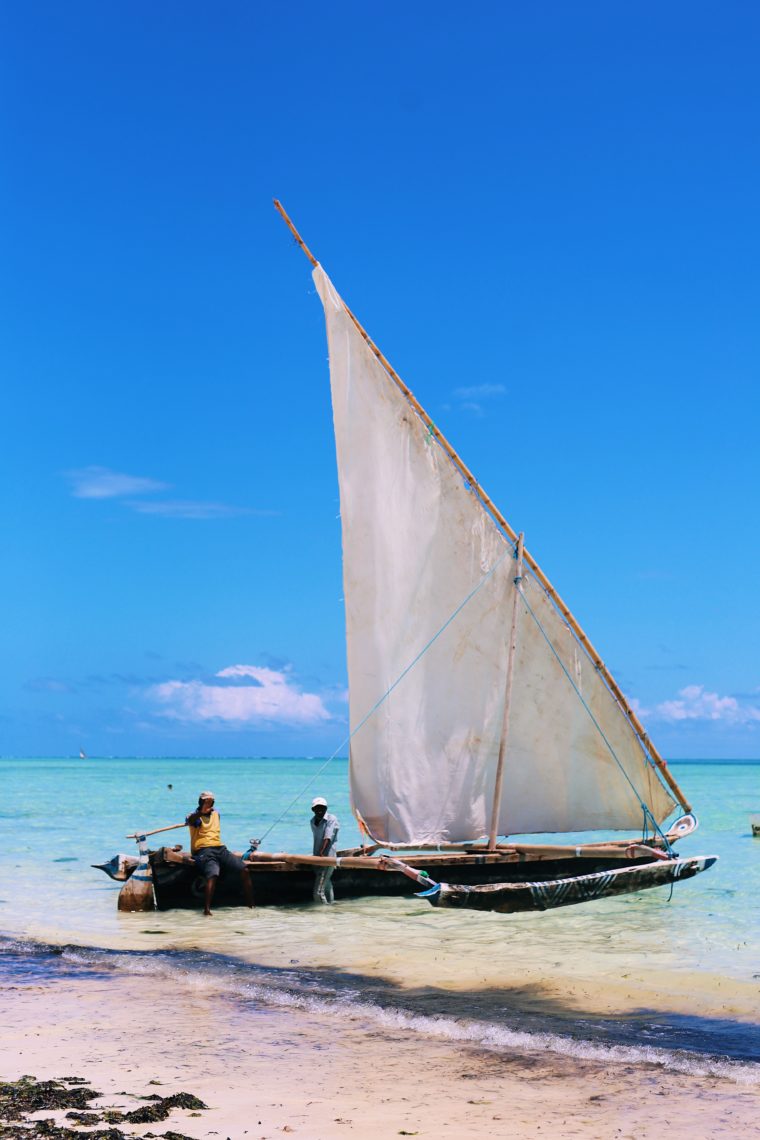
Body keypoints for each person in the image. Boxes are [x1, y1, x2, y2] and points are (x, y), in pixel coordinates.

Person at [185, 791, 254, 916]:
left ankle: (251, 905)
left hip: (220, 848)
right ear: (200, 802)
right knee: (213, 874)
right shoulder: (194, 815)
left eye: (210, 802)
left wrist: (208, 811)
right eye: (206, 801)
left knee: (244, 869)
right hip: (203, 849)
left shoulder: (216, 814)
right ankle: (207, 910)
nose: (208, 804)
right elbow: (190, 821)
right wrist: (201, 813)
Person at [310, 796, 339, 904]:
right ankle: (330, 907)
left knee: (318, 892)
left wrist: (322, 853)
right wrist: (316, 857)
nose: (319, 810)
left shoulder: (331, 819)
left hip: (327, 859)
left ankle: (323, 915)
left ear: (326, 808)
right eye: (317, 808)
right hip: (317, 858)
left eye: (322, 808)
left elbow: (327, 837)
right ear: (312, 810)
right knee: (326, 885)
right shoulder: (312, 821)